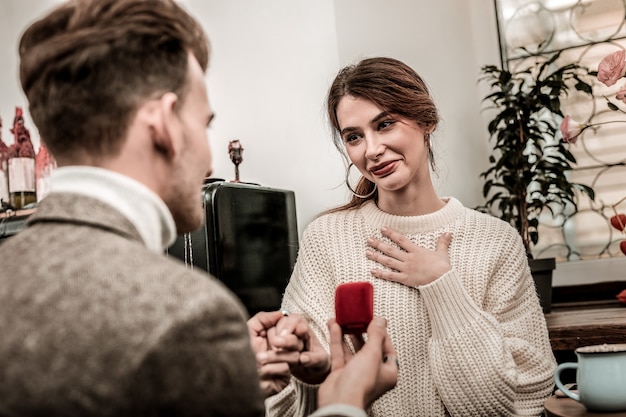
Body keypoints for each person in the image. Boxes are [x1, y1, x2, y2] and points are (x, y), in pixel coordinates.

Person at [0, 1, 397, 415]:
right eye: (204, 124)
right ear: (166, 125)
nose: (210, 162)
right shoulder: (189, 316)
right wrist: (344, 403)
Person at [265, 57, 557, 417]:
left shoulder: (496, 241)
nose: (370, 150)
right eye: (354, 137)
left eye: (385, 124)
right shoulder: (326, 239)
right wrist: (298, 367)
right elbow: (298, 404)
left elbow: (514, 404)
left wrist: (441, 284)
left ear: (426, 121)